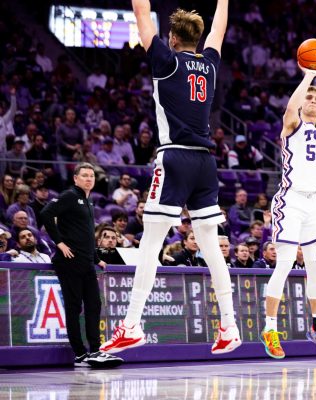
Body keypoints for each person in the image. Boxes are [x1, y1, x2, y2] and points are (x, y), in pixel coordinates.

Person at [101, 0, 241, 355]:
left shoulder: (167, 61)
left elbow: (140, 12)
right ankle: (229, 326)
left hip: (175, 156)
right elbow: (219, 28)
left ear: (173, 38)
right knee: (212, 250)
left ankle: (131, 325)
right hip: (207, 162)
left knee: (150, 243)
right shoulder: (209, 63)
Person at [263, 39, 316, 359]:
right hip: (290, 200)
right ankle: (270, 329)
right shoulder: (292, 123)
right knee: (284, 264)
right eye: (309, 98)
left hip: (314, 203)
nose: (313, 101)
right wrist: (308, 75)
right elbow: (289, 108)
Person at [40, 163, 122, 368]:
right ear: (75, 178)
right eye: (84, 175)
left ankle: (95, 350)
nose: (89, 179)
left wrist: (96, 259)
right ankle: (80, 353)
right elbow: (46, 214)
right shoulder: (69, 196)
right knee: (74, 307)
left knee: (94, 304)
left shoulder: (88, 201)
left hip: (86, 262)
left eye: (92, 176)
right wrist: (59, 243)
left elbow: (86, 235)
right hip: (69, 261)